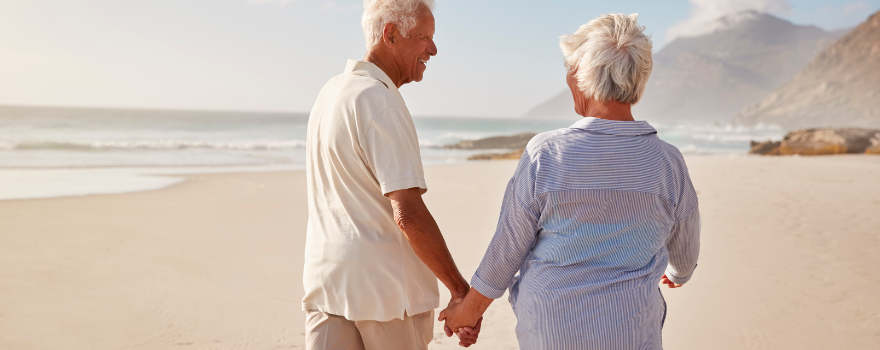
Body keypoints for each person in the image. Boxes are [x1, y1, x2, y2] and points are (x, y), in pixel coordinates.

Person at [439, 13, 701, 349]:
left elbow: (507, 250)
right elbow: (686, 250)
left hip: (551, 330)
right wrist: (680, 273)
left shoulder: (546, 154)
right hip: (631, 331)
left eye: (570, 70)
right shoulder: (668, 162)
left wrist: (468, 311)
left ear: (581, 76)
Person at [302, 0, 479, 349]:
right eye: (424, 37)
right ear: (391, 35)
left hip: (327, 287)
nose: (433, 48)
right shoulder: (379, 101)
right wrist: (461, 291)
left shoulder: (330, 93)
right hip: (385, 297)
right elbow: (408, 214)